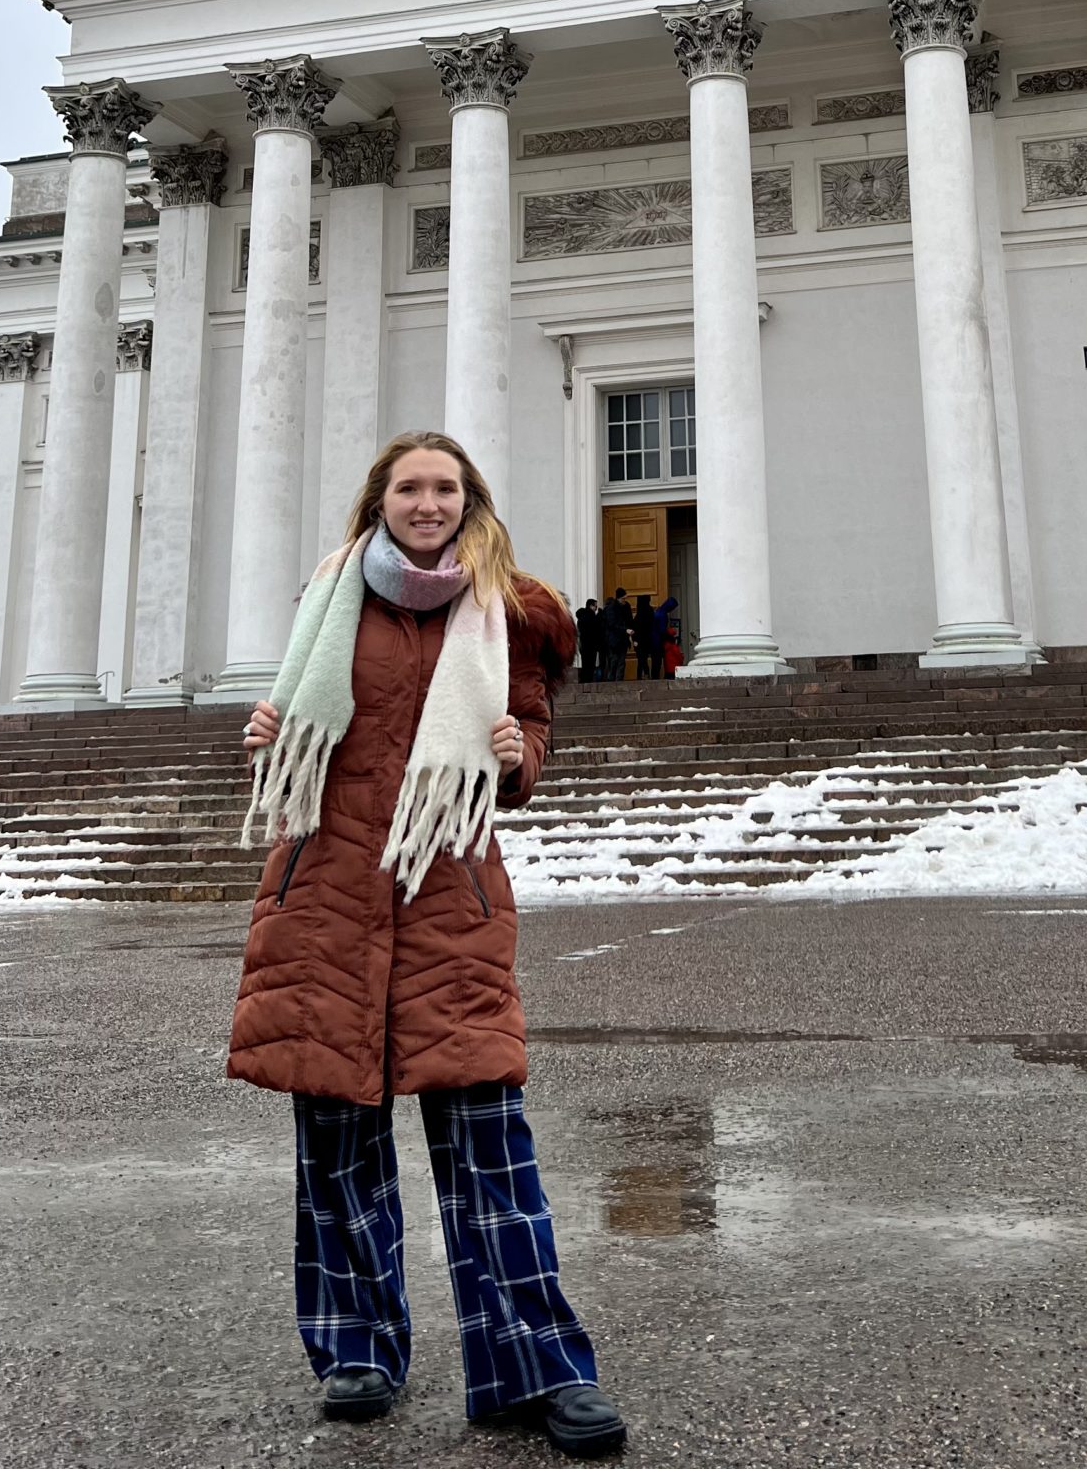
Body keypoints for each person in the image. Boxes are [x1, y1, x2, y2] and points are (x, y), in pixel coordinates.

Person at [229, 430, 624, 1455]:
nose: (428, 501)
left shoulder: (510, 610)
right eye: (410, 486)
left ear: (469, 498)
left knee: (491, 1147)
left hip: (450, 895)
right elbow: (299, 717)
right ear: (380, 500)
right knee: (339, 1145)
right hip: (327, 890)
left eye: (445, 486)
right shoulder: (332, 597)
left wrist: (516, 753)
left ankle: (536, 1364)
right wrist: (274, 731)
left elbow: (530, 728)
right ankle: (357, 1346)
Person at [600, 590, 631, 684]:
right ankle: (611, 681)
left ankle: (619, 681)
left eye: (625, 598)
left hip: (623, 639)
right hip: (613, 640)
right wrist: (625, 630)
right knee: (614, 661)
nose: (624, 600)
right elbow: (611, 624)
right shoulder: (611, 609)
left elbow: (629, 621)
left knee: (621, 662)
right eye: (623, 598)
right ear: (618, 598)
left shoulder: (626, 607)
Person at [576, 596, 604, 684]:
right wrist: (600, 616)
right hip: (591, 645)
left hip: (583, 644)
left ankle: (583, 680)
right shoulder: (591, 616)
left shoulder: (581, 618)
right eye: (595, 606)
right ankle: (588, 680)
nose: (596, 608)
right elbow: (595, 629)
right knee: (590, 664)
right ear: (591, 606)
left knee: (585, 663)